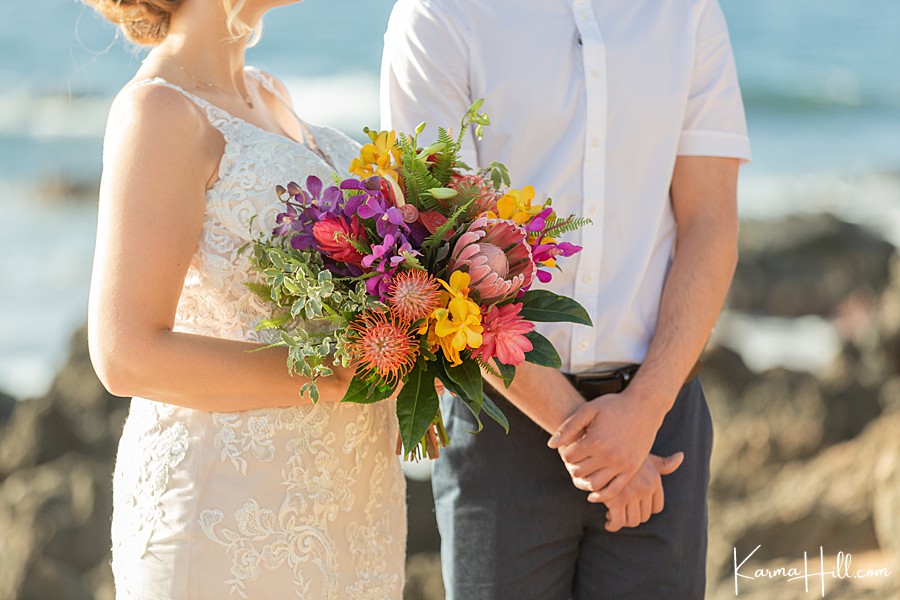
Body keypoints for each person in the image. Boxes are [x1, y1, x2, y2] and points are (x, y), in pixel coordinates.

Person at [382, 0, 750, 598]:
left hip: (659, 421)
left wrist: (642, 415)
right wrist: (593, 442)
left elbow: (710, 221)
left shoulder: (685, 11)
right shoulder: (438, 14)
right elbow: (438, 243)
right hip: (501, 420)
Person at [86, 0, 406, 597]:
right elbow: (125, 353)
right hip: (230, 515)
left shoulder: (269, 93)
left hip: (353, 504)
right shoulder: (158, 111)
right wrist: (331, 374)